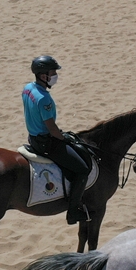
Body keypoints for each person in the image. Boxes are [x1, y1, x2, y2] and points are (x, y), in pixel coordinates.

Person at [23, 56, 90, 225]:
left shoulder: (28, 89)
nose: (55, 76)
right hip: (47, 143)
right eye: (52, 73)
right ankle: (73, 212)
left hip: (33, 138)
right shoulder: (44, 99)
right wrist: (64, 138)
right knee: (82, 170)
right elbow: (52, 128)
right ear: (43, 75)